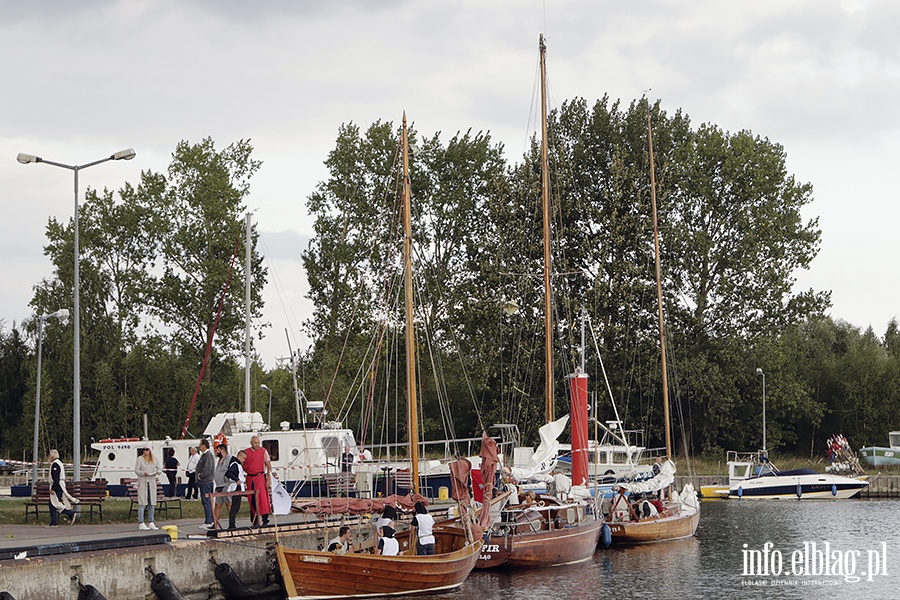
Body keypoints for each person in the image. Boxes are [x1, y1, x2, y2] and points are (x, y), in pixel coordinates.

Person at [244, 435, 272, 527]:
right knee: (251, 498)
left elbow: (268, 465)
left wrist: (268, 479)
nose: (257, 445)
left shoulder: (263, 451)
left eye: (258, 443)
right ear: (251, 443)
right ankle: (254, 519)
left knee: (262, 498)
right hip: (250, 478)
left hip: (260, 477)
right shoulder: (246, 452)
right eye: (255, 443)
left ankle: (265, 518)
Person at [47, 449, 78, 527]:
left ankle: (57, 520)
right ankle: (54, 521)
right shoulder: (59, 463)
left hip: (57, 486)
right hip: (60, 485)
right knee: (54, 503)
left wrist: (53, 488)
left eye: (49, 455)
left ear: (52, 456)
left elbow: (56, 477)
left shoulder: (55, 464)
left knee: (53, 504)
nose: (49, 457)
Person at [135, 447, 162, 531]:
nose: (145, 451)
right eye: (144, 450)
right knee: (142, 503)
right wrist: (143, 473)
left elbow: (159, 468)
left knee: (152, 503)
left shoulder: (154, 459)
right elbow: (136, 470)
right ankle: (141, 522)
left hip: (151, 482)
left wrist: (158, 471)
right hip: (143, 482)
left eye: (147, 449)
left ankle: (151, 522)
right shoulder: (139, 459)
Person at [196, 438, 215, 529]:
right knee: (205, 501)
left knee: (207, 501)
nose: (199, 446)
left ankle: (209, 521)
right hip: (203, 482)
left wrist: (200, 475)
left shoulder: (208, 455)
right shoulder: (204, 455)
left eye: (200, 444)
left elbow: (207, 468)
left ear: (204, 445)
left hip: (206, 482)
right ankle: (208, 519)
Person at [225, 450, 247, 530]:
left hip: (239, 486)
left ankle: (232, 523)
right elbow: (228, 473)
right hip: (236, 487)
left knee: (236, 506)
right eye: (243, 458)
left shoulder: (237, 464)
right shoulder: (235, 464)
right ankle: (231, 524)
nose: (244, 460)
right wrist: (237, 479)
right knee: (235, 506)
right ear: (240, 456)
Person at [213, 443, 233, 529]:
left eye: (217, 450)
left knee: (228, 504)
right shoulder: (220, 460)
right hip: (219, 485)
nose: (216, 452)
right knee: (218, 505)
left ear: (222, 450)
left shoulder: (229, 459)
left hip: (226, 485)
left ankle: (232, 523)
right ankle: (215, 524)